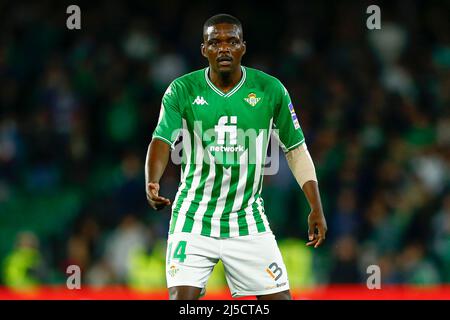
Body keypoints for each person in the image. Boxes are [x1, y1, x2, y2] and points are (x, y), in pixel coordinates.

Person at [145, 13, 327, 300]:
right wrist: (152, 180)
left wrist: (315, 206)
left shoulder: (270, 90)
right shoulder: (182, 89)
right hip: (193, 218)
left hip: (247, 220)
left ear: (243, 46)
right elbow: (162, 138)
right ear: (204, 49)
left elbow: (296, 150)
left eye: (232, 41)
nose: (224, 48)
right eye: (215, 42)